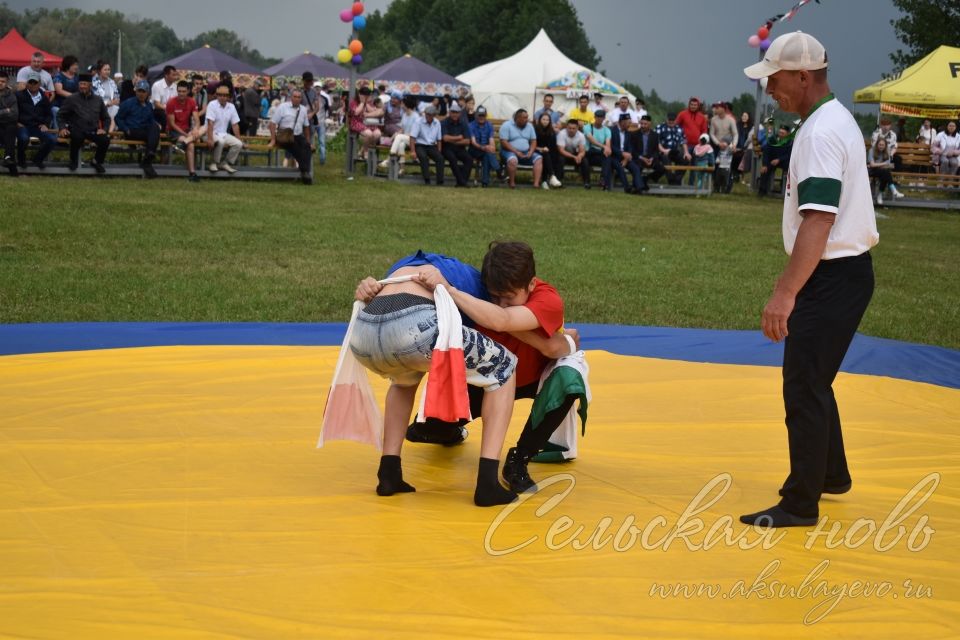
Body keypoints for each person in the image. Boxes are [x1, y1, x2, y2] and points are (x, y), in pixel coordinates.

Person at [741, 31, 879, 528]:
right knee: (815, 379)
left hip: (832, 273)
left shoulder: (820, 132)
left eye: (774, 79)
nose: (769, 89)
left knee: (803, 385)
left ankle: (801, 502)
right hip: (845, 273)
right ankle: (830, 473)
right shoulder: (832, 120)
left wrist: (784, 293)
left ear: (802, 77)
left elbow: (819, 220)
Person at [410, 241, 583, 494]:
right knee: (425, 430)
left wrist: (449, 290)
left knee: (569, 379)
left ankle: (519, 458)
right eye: (494, 296)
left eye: (509, 297)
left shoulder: (547, 299)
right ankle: (447, 430)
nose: (500, 303)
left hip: (531, 377)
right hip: (485, 380)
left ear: (531, 285)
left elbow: (507, 323)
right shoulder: (478, 290)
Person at [352, 251, 521, 507]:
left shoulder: (405, 265)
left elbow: (375, 294)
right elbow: (498, 321)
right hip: (412, 325)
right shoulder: (473, 283)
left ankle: (389, 473)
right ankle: (487, 483)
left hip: (363, 331)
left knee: (404, 380)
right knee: (504, 366)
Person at [57, 72, 109, 173]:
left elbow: (106, 118)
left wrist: (104, 129)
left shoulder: (98, 100)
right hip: (76, 128)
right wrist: (62, 127)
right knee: (77, 137)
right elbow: (60, 115)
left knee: (105, 140)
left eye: (84, 84)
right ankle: (73, 161)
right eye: (80, 84)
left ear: (90, 85)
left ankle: (96, 161)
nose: (82, 86)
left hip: (93, 130)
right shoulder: (72, 99)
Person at [115, 79, 161, 178]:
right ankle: (149, 157)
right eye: (139, 91)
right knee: (153, 133)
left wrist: (156, 125)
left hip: (144, 131)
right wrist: (125, 128)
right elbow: (118, 118)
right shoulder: (128, 103)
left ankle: (148, 158)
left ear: (147, 93)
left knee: (155, 127)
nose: (141, 94)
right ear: (135, 91)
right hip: (132, 130)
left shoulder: (148, 105)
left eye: (143, 91)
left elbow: (151, 120)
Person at [269, 87, 313, 185]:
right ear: (291, 97)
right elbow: (272, 124)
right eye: (295, 96)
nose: (297, 99)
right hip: (285, 136)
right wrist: (273, 140)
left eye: (299, 97)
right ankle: (305, 173)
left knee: (307, 148)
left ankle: (304, 172)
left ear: (301, 99)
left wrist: (308, 141)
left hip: (298, 135)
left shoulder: (303, 109)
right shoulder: (282, 107)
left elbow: (306, 127)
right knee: (297, 149)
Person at [15, 71, 57, 169]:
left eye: (35, 82)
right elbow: (14, 111)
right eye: (30, 82)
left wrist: (45, 124)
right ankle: (21, 160)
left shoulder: (44, 98)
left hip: (38, 126)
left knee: (52, 140)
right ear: (27, 83)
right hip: (23, 126)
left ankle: (38, 159)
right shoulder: (18, 95)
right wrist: (16, 122)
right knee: (23, 138)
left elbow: (49, 114)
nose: (33, 85)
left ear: (39, 84)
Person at [166, 80, 202, 182]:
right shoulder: (171, 102)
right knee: (191, 144)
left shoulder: (191, 101)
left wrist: (195, 129)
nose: (181, 93)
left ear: (188, 91)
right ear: (177, 91)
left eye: (183, 91)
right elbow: (172, 124)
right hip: (173, 131)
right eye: (179, 91)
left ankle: (192, 173)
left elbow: (197, 119)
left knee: (201, 131)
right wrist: (187, 134)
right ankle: (192, 173)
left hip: (187, 130)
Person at [205, 84, 245, 174]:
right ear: (217, 95)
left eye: (224, 95)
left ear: (228, 97)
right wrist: (210, 138)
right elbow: (210, 123)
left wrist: (239, 139)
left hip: (223, 133)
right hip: (210, 132)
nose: (222, 97)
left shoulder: (231, 106)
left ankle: (225, 163)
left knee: (238, 144)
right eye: (220, 95)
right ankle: (214, 163)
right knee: (221, 142)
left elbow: (235, 125)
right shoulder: (212, 104)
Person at [499, 108, 543, 189]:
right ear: (518, 118)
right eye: (525, 118)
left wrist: (531, 151)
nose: (527, 120)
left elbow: (533, 141)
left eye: (527, 117)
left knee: (539, 158)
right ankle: (512, 183)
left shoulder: (529, 126)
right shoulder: (506, 125)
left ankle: (536, 184)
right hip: (509, 151)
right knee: (513, 160)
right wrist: (516, 152)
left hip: (525, 152)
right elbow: (503, 142)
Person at [441, 102, 473, 187]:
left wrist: (452, 140)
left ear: (459, 114)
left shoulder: (463, 123)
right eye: (453, 112)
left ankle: (461, 182)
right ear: (450, 113)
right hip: (447, 148)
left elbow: (467, 141)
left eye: (457, 112)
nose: (455, 114)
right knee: (452, 159)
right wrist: (458, 137)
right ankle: (462, 182)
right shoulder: (444, 122)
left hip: (460, 148)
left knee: (469, 159)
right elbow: (444, 138)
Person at [610, 112, 644, 193]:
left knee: (635, 168)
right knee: (620, 168)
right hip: (614, 156)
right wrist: (622, 153)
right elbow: (610, 146)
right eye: (629, 123)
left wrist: (626, 158)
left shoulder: (628, 133)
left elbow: (630, 147)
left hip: (625, 157)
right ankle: (627, 188)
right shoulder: (611, 131)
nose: (630, 124)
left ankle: (638, 188)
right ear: (622, 122)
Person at [410, 104, 444, 185]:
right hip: (420, 145)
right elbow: (412, 137)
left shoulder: (437, 123)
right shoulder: (418, 122)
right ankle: (427, 180)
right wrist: (413, 151)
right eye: (427, 114)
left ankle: (440, 181)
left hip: (432, 146)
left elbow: (439, 139)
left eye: (430, 114)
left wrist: (439, 151)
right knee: (423, 157)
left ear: (434, 115)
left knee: (440, 158)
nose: (427, 116)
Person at [757, 124, 793, 197]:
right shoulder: (773, 139)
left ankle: (786, 191)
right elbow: (766, 151)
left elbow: (789, 154)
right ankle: (762, 190)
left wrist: (779, 159)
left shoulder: (790, 142)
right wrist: (764, 165)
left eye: (783, 133)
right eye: (780, 132)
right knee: (765, 170)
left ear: (787, 134)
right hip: (772, 160)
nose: (781, 134)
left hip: (783, 161)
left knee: (789, 170)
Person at [468, 105, 500, 187]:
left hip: (486, 149)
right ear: (476, 115)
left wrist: (492, 147)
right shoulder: (471, 125)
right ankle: (498, 170)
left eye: (483, 115)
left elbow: (491, 140)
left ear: (486, 115)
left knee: (487, 156)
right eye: (480, 115)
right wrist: (484, 147)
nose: (481, 117)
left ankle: (485, 183)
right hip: (474, 149)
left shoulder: (489, 125)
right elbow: (473, 142)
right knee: (487, 153)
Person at [656, 111, 690, 185]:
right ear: (666, 119)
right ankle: (671, 180)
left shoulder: (679, 129)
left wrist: (686, 152)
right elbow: (656, 142)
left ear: (676, 120)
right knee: (666, 159)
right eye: (669, 120)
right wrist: (663, 150)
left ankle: (677, 179)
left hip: (674, 151)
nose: (671, 122)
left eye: (673, 120)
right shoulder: (660, 127)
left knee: (686, 160)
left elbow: (683, 141)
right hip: (662, 151)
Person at [556, 118, 591, 188]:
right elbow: (561, 151)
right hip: (563, 155)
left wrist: (580, 156)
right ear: (566, 127)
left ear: (577, 128)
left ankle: (587, 183)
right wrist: (574, 157)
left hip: (575, 155)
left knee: (585, 160)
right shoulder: (561, 134)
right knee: (560, 159)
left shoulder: (581, 135)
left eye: (573, 128)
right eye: (569, 128)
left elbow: (582, 151)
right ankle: (558, 182)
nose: (571, 130)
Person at [349, 86, 383, 158]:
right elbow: (356, 113)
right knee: (369, 134)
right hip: (357, 122)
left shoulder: (368, 102)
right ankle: (366, 152)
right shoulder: (354, 102)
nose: (368, 97)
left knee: (378, 134)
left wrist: (367, 104)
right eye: (366, 95)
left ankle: (362, 150)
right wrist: (362, 103)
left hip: (368, 123)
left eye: (369, 95)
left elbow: (374, 111)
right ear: (360, 95)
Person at [583, 109, 612, 190]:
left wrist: (607, 149)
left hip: (599, 154)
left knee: (607, 157)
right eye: (598, 117)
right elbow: (591, 139)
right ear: (594, 117)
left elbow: (608, 142)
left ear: (604, 118)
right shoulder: (587, 127)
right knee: (585, 160)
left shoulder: (607, 130)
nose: (599, 119)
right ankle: (587, 182)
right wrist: (604, 147)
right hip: (588, 153)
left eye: (601, 117)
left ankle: (603, 180)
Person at [632, 114, 664, 186]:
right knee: (638, 168)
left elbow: (656, 151)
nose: (643, 126)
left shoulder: (655, 135)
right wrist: (641, 158)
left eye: (645, 124)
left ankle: (646, 179)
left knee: (661, 169)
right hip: (639, 158)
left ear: (650, 124)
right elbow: (632, 150)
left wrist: (652, 158)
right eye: (641, 123)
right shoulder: (634, 134)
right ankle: (637, 186)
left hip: (650, 159)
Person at [534, 111, 562, 189]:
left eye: (547, 120)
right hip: (536, 150)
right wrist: (541, 149)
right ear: (540, 120)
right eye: (544, 119)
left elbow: (552, 145)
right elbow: (532, 145)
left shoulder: (551, 131)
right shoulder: (535, 129)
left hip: (547, 151)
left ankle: (553, 179)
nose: (545, 121)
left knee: (557, 157)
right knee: (546, 155)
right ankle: (549, 178)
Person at [52, 55, 80, 130]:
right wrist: (74, 96)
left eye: (77, 65)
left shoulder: (78, 77)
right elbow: (59, 91)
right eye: (74, 65)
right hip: (60, 104)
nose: (76, 67)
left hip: (75, 105)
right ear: (68, 65)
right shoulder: (59, 76)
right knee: (55, 110)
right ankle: (59, 134)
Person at [867, 138, 896, 206]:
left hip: (881, 171)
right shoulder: (872, 150)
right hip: (871, 171)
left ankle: (881, 194)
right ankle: (889, 191)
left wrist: (884, 164)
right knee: (886, 173)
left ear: (885, 146)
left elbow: (889, 164)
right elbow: (872, 165)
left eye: (883, 145)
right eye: (880, 144)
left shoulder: (887, 151)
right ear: (877, 145)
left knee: (885, 174)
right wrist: (884, 164)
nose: (881, 146)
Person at [0, 71, 17, 174]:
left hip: (7, 124)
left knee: (11, 128)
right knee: (9, 138)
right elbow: (10, 112)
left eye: (3, 81)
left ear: (7, 83)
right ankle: (11, 165)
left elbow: (15, 114)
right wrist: (6, 111)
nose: (0, 83)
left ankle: (8, 158)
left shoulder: (11, 95)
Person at [151, 65, 178, 129]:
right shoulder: (157, 85)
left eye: (175, 75)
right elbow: (157, 104)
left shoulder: (176, 87)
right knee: (163, 114)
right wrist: (168, 110)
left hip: (171, 111)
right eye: (173, 75)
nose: (175, 77)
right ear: (166, 75)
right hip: (158, 111)